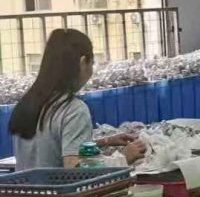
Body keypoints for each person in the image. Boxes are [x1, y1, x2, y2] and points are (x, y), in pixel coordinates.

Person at [10, 29, 145, 171]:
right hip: (60, 192)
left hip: (27, 192)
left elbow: (49, 150)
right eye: (92, 63)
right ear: (83, 63)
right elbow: (75, 169)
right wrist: (123, 158)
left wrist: (105, 142)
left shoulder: (28, 102)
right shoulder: (73, 109)